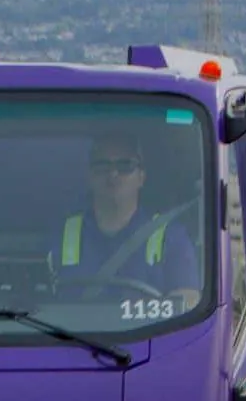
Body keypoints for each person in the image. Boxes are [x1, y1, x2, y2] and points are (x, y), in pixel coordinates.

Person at [50, 129, 201, 309]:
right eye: (102, 165)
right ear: (89, 176)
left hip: (149, 337)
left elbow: (189, 301)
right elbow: (37, 299)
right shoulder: (61, 234)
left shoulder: (171, 237)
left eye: (125, 166)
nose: (113, 174)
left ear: (141, 177)